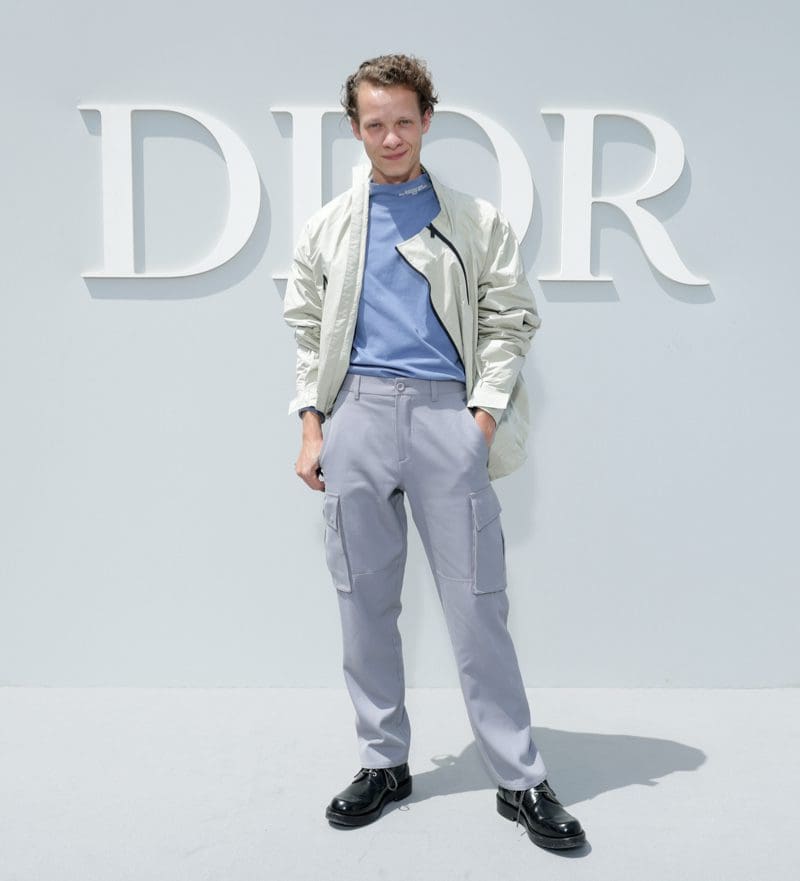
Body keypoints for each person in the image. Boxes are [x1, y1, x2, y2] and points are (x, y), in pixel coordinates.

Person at [282, 53, 586, 851]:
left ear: (426, 120)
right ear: (356, 128)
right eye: (374, 123)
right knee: (362, 601)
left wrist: (478, 420)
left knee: (478, 602)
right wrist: (313, 428)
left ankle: (520, 777)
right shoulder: (328, 226)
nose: (390, 137)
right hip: (355, 417)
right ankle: (383, 762)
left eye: (403, 121)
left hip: (445, 417)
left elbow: (510, 319)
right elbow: (307, 330)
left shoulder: (475, 221)